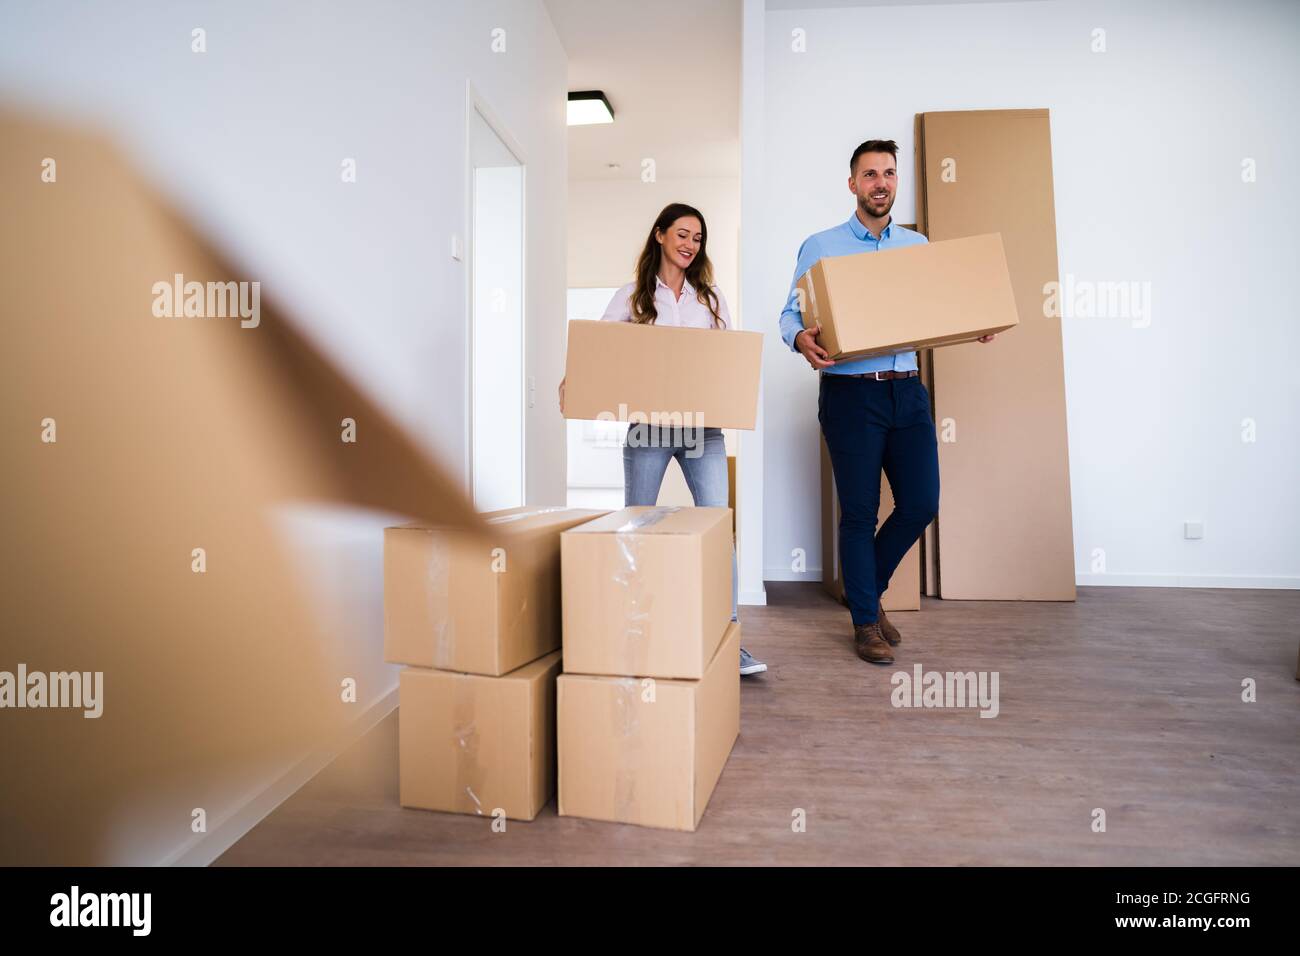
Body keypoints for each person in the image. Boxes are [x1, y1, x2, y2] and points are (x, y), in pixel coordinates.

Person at [779, 140, 996, 665]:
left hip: (906, 389)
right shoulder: (821, 246)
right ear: (852, 184)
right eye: (870, 174)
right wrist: (799, 339)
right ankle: (864, 624)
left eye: (889, 174)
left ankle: (866, 596)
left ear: (896, 183)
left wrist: (977, 320)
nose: (881, 183)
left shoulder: (917, 246)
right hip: (852, 393)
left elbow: (939, 310)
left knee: (921, 502)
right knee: (859, 512)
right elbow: (790, 314)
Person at [562, 202, 766, 676]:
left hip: (702, 429)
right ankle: (628, 630)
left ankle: (728, 639)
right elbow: (601, 350)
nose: (691, 244)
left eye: (698, 238)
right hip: (649, 428)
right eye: (682, 234)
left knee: (718, 527)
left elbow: (725, 360)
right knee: (636, 525)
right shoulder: (633, 296)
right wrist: (574, 377)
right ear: (659, 235)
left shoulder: (710, 299)